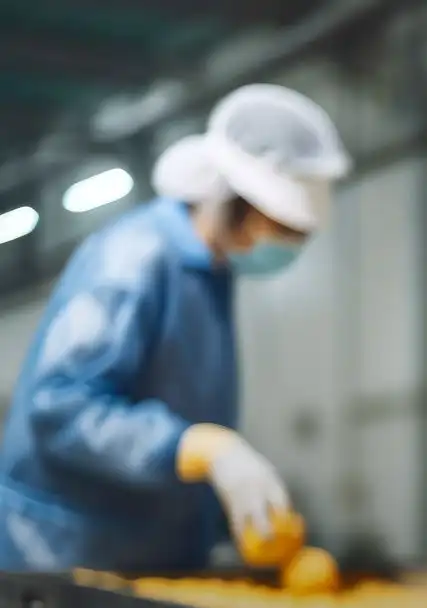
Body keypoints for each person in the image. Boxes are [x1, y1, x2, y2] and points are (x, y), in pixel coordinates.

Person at [0, 83, 347, 573]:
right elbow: (60, 406)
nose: (287, 247)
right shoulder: (132, 259)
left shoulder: (210, 275)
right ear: (234, 201)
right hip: (63, 554)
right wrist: (198, 446)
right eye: (281, 229)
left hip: (147, 555)